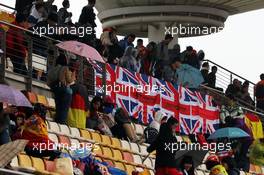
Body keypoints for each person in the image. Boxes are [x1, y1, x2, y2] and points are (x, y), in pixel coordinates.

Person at [47, 54, 74, 124]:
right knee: (64, 108)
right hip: (63, 90)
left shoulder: (52, 69)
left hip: (55, 90)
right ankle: (62, 122)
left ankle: (57, 121)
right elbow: (69, 80)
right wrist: (73, 74)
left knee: (58, 106)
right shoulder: (65, 68)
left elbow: (48, 82)